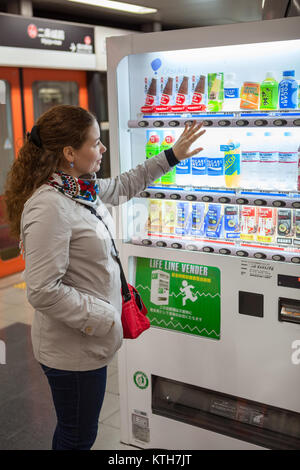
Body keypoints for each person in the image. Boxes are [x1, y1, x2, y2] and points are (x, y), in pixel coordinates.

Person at [4, 105, 205, 450]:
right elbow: (41, 289)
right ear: (70, 153)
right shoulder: (49, 207)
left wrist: (172, 155)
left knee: (77, 430)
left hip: (85, 341)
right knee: (77, 436)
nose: (103, 149)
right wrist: (105, 318)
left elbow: (125, 184)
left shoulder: (79, 188)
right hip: (72, 350)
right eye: (96, 143)